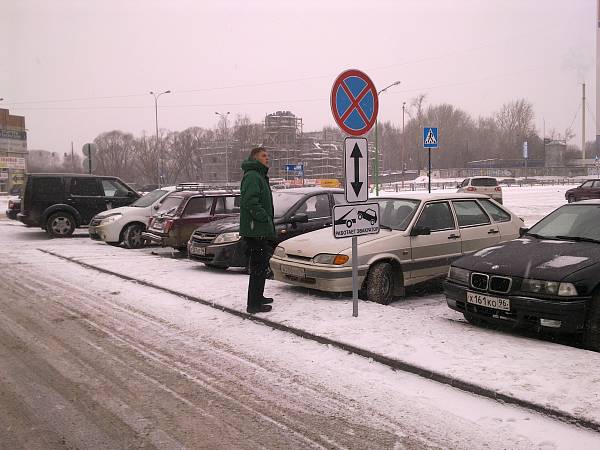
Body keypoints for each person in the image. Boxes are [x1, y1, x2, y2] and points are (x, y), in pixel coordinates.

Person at [240, 147, 276, 314]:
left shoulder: (259, 175)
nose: (266, 158)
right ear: (255, 158)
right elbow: (250, 202)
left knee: (261, 266)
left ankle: (258, 297)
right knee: (257, 268)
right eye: (263, 156)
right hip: (255, 230)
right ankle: (253, 305)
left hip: (259, 229)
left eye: (267, 156)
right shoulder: (253, 176)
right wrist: (264, 218)